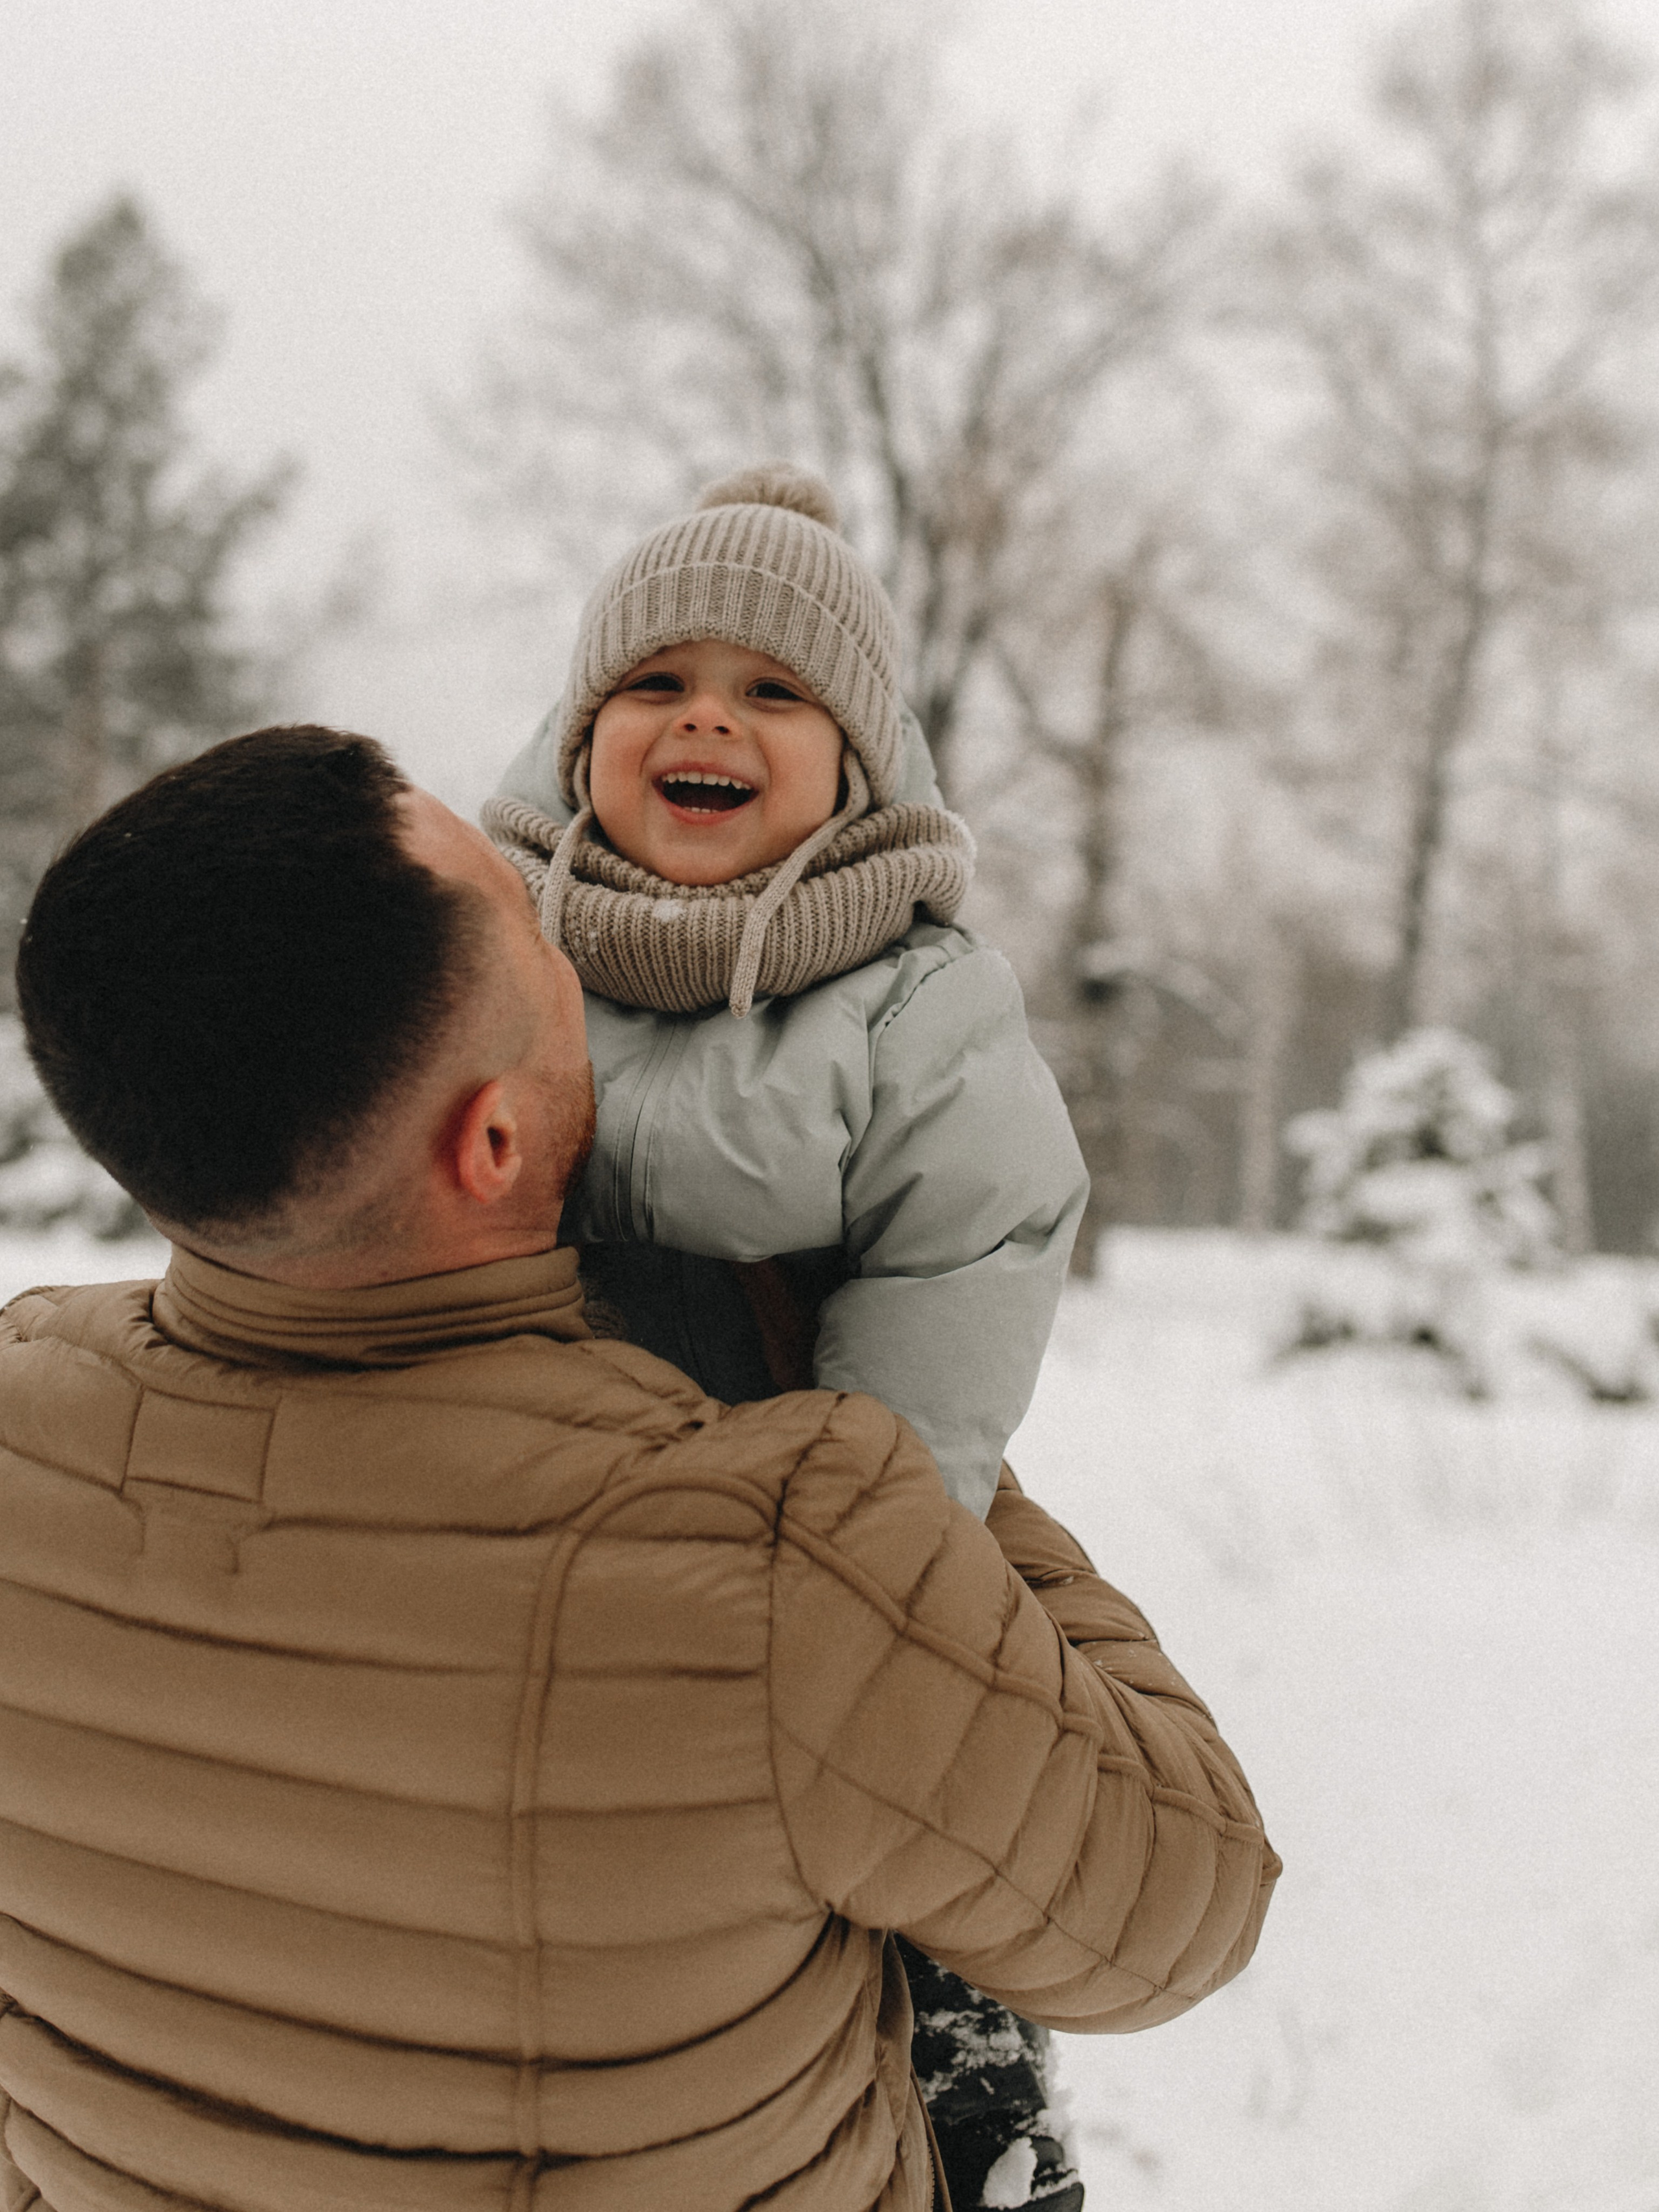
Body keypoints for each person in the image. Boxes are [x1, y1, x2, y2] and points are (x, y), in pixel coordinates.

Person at [0, 725, 1278, 2211]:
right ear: (489, 1140)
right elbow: (1178, 1902)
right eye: (528, 922)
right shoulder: (777, 1557)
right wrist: (901, 1411)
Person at [484, 465, 1089, 2204]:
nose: (708, 720)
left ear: (860, 758)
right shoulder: (489, 942)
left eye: (774, 690)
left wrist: (852, 1555)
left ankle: (957, 2063)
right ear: (582, 728)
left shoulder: (917, 994)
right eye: (657, 683)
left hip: (808, 1494)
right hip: (500, 1492)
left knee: (894, 1798)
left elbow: (966, 1261)